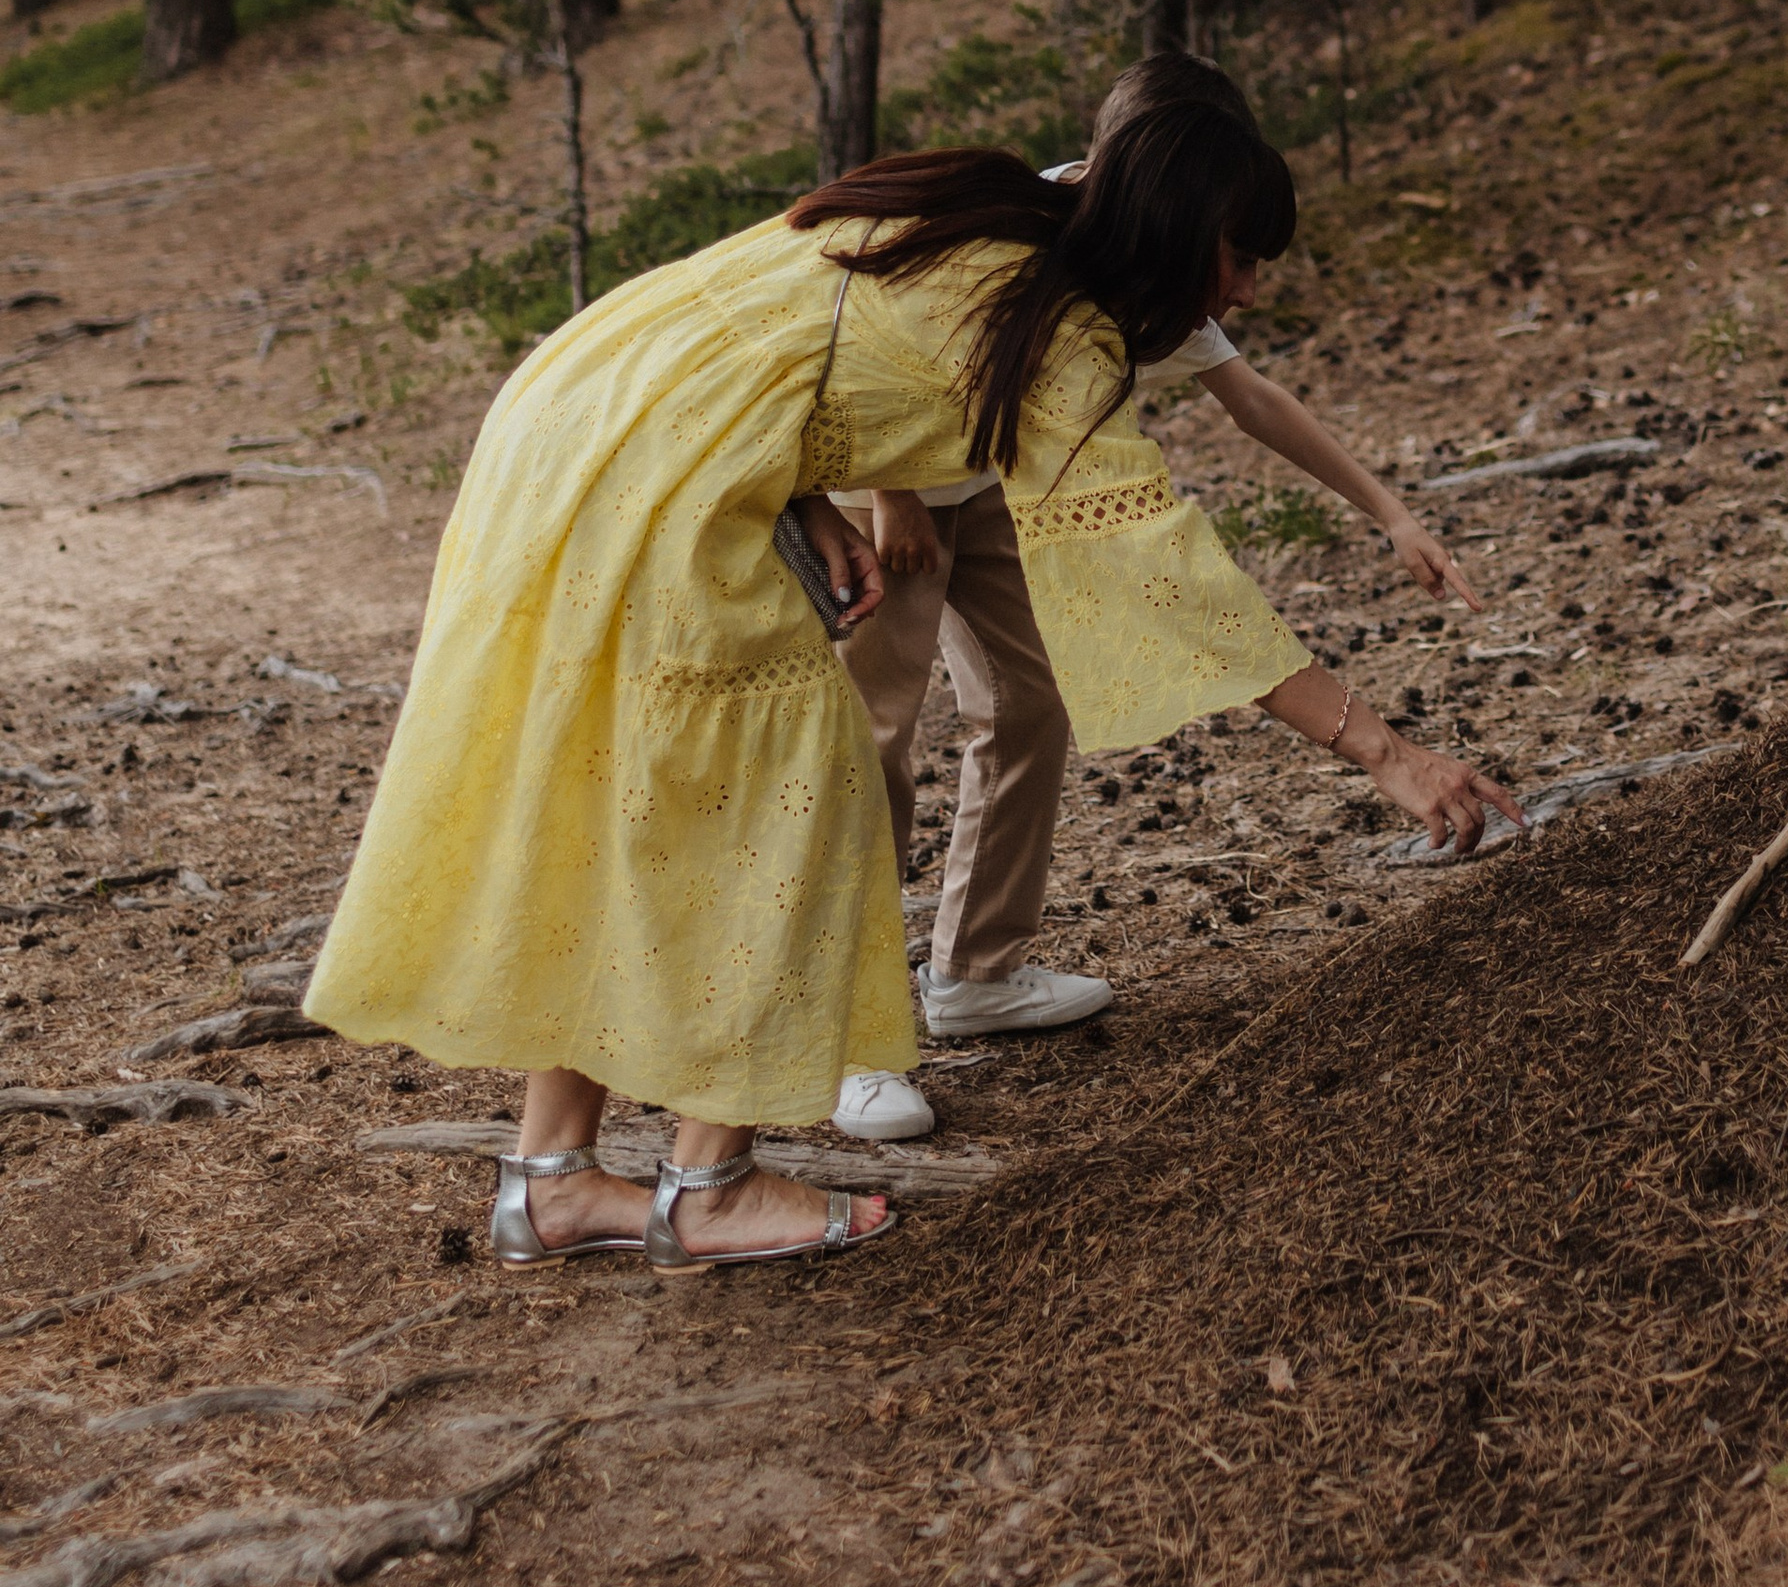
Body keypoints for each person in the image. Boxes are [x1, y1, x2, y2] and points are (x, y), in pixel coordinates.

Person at [304, 86, 1519, 1274]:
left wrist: (806, 492)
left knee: (631, 801)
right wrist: (1388, 755)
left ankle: (552, 1185)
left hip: (586, 411)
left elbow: (778, 326)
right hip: (654, 474)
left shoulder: (982, 211)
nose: (1248, 289)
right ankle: (708, 1188)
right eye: (1240, 258)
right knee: (786, 803)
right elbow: (1169, 582)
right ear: (1171, 230)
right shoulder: (1055, 341)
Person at [834, 50, 1486, 1142]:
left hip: (993, 471)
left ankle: (974, 973)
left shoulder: (1148, 270)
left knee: (1028, 700)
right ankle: (846, 1035)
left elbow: (1251, 398)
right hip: (878, 474)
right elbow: (854, 329)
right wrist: (887, 485)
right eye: (1236, 255)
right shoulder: (1009, 243)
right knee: (872, 739)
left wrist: (1391, 511)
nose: (1244, 286)